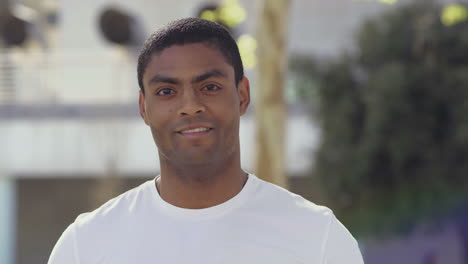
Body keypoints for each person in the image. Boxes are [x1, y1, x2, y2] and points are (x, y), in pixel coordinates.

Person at [48, 17, 364, 264]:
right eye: (166, 91)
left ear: (242, 96)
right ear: (144, 108)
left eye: (209, 87)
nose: (190, 105)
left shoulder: (317, 236)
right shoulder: (86, 245)